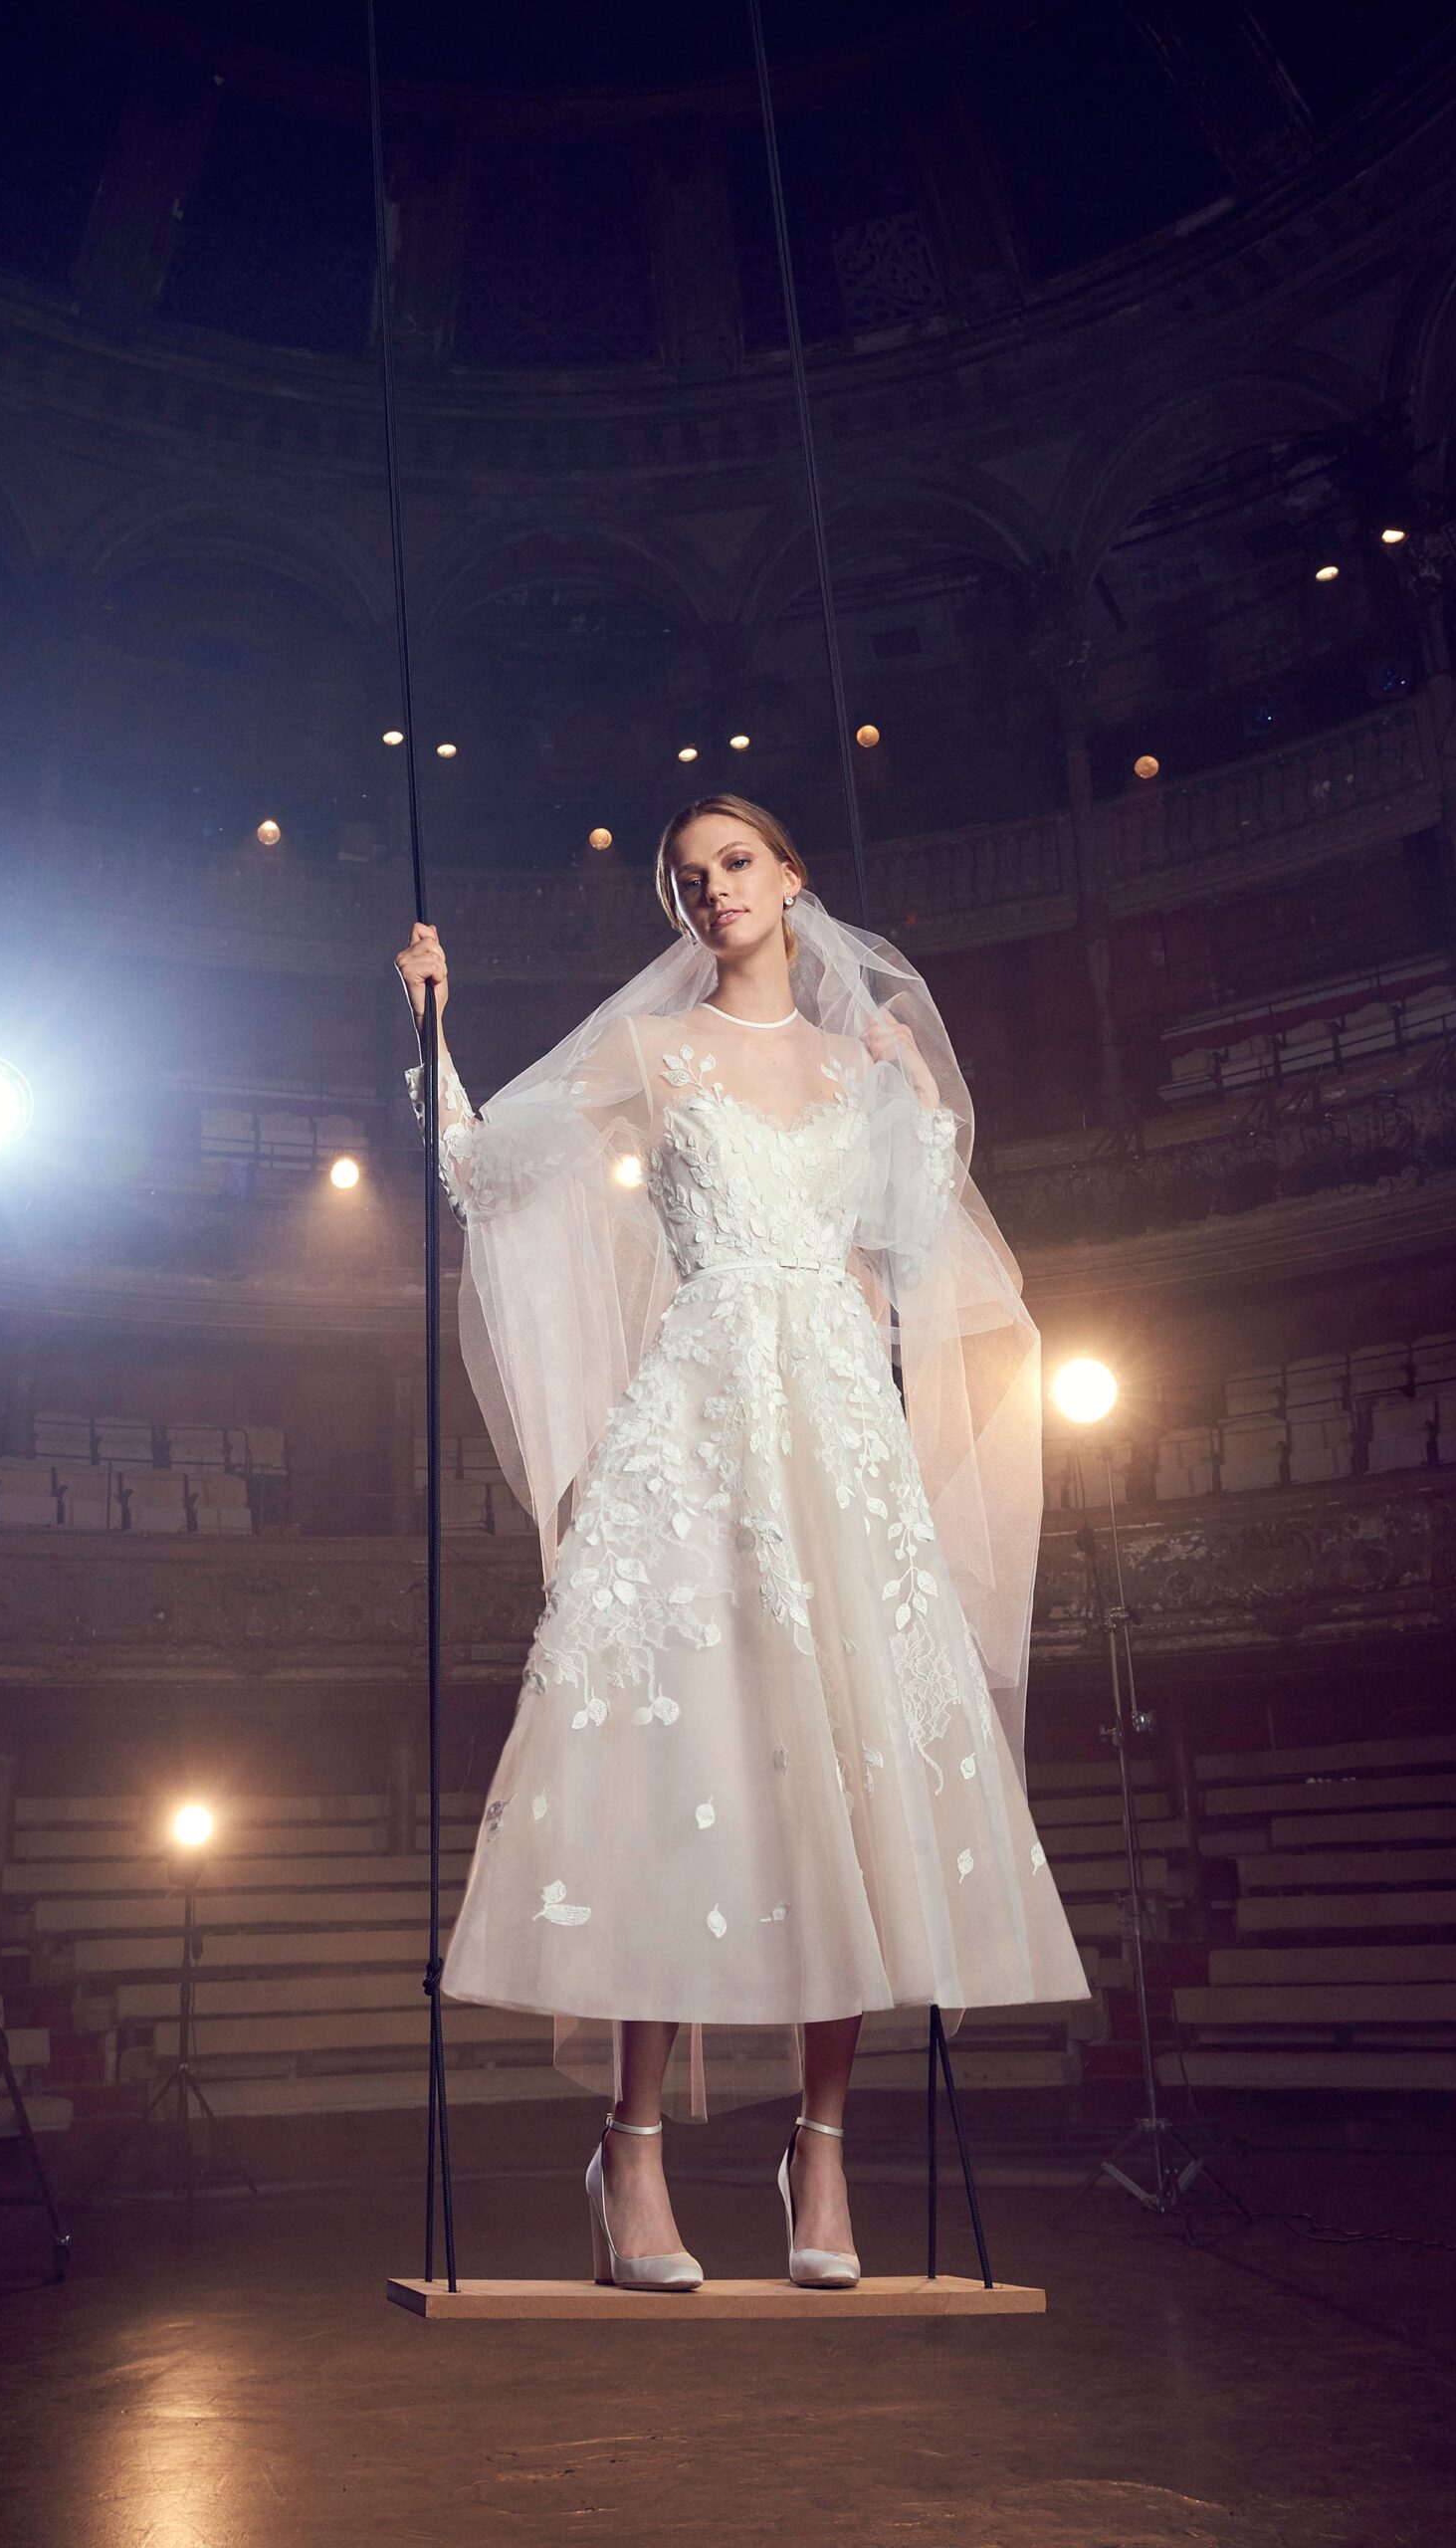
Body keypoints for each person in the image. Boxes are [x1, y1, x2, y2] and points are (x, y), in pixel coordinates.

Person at [393, 795, 1088, 2292]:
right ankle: (630, 2157)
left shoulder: (859, 1065)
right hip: (699, 1421)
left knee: (840, 1773)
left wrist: (923, 1105)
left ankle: (819, 2155)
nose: (712, 890)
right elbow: (485, 1179)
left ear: (790, 880)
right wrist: (435, 1031)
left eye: (735, 864)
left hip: (833, 1427)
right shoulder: (650, 1054)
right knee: (686, 1765)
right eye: (687, 877)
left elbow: (909, 1255)